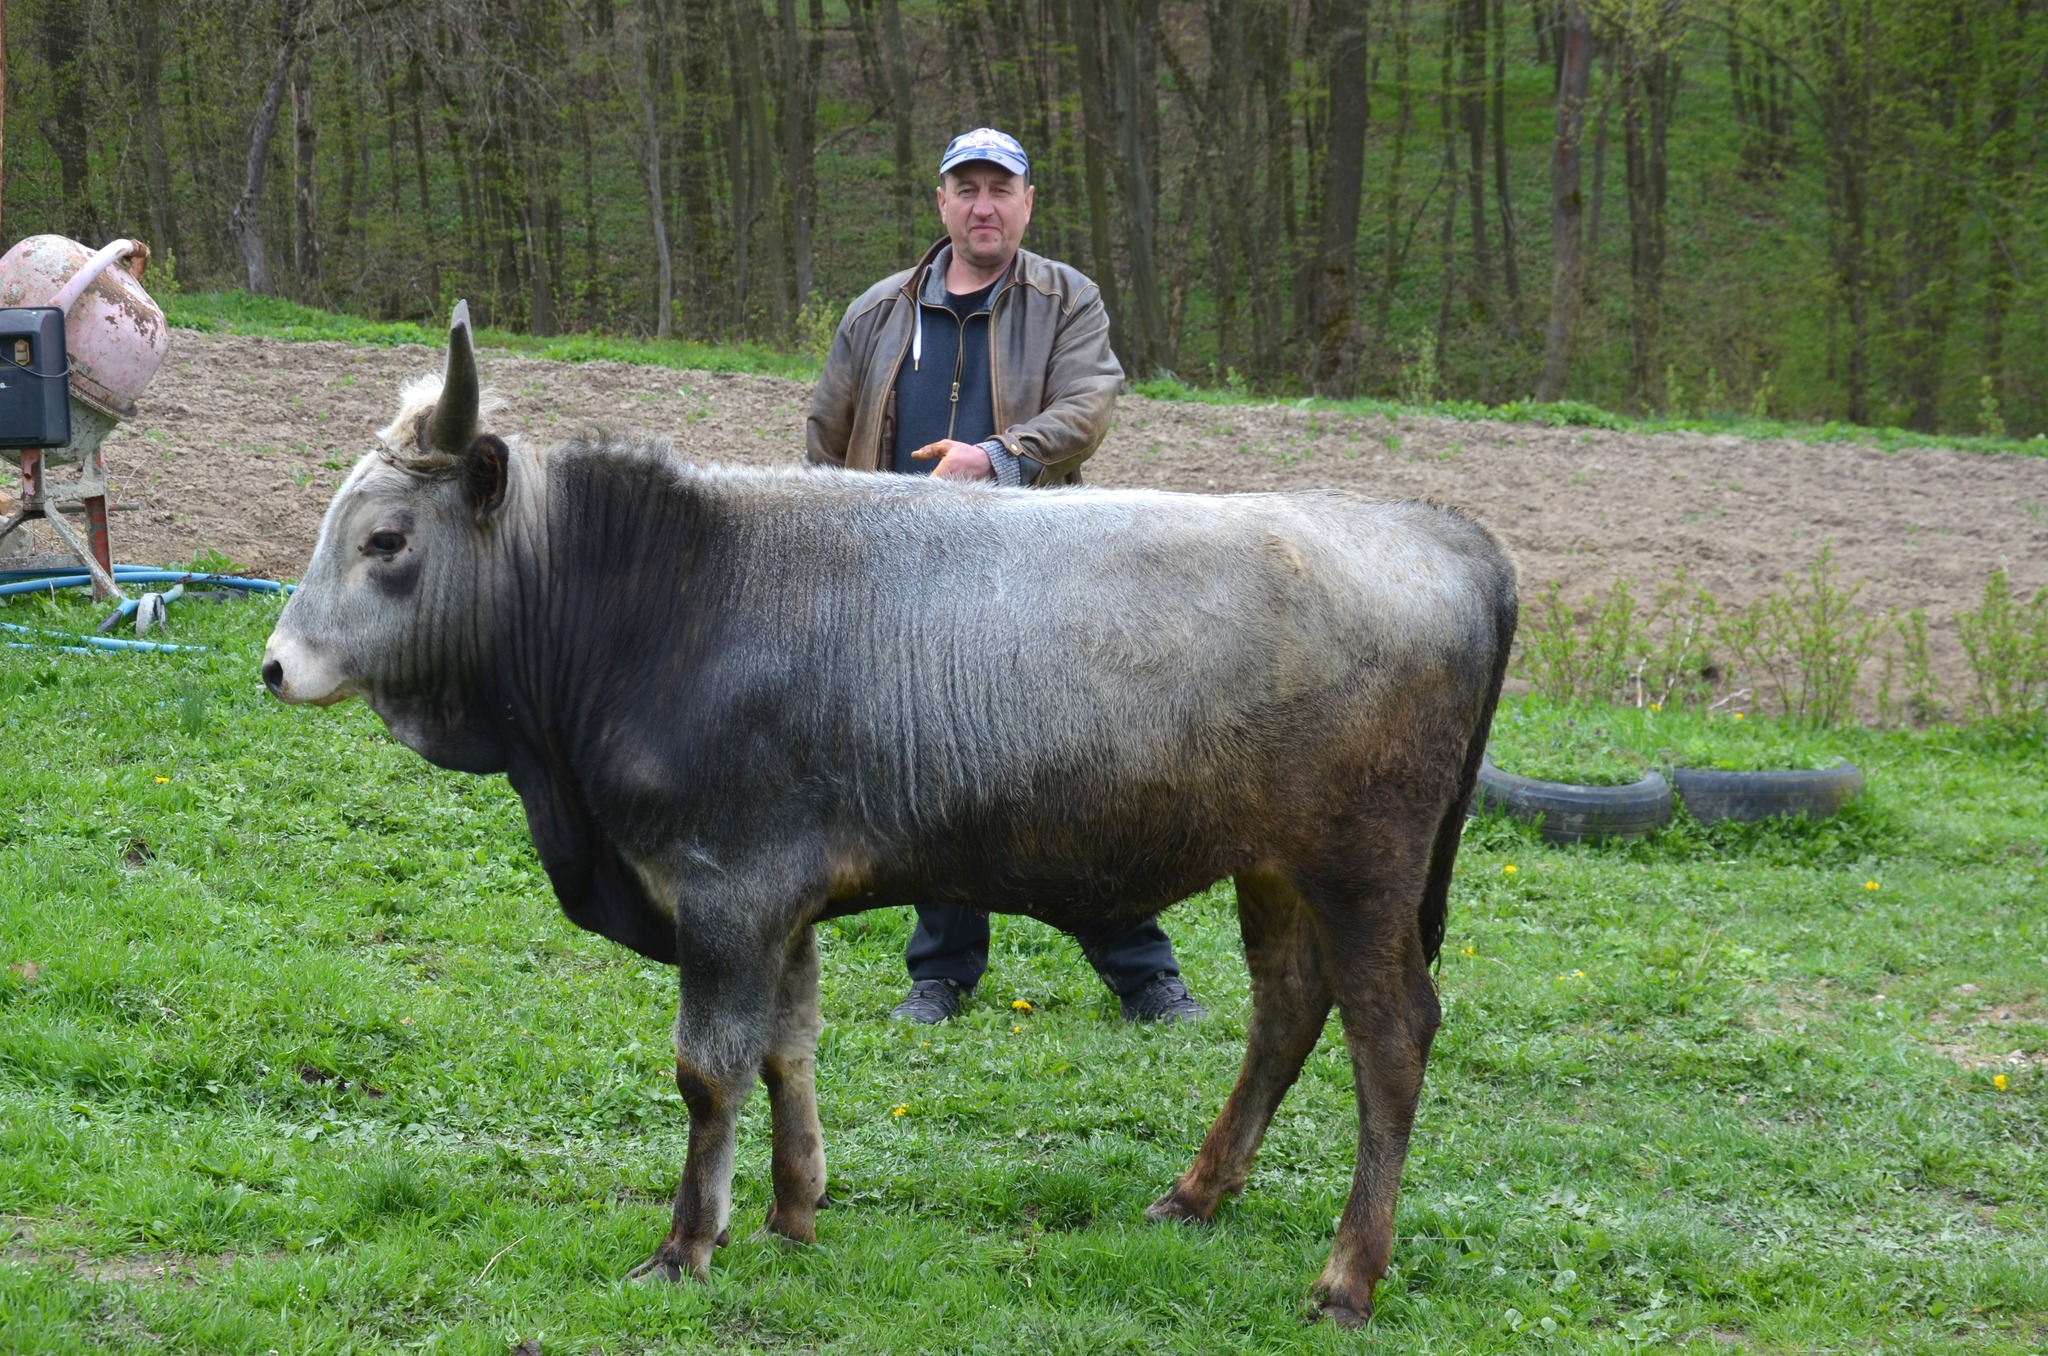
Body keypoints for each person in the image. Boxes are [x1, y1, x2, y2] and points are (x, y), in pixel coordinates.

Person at [805, 127, 1206, 1026]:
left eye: (1001, 189)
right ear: (941, 203)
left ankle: (1143, 974)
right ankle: (940, 976)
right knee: (934, 780)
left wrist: (997, 455)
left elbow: (1088, 407)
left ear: (1026, 203)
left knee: (1076, 779)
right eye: (967, 189)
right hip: (906, 583)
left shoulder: (1068, 299)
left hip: (1035, 572)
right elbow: (825, 436)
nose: (983, 206)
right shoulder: (878, 311)